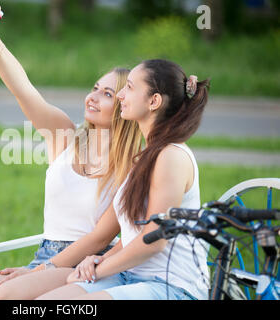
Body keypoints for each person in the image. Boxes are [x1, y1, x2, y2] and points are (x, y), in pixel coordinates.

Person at [0, 4, 141, 300]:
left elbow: (102, 237)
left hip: (87, 263)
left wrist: (38, 272)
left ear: (125, 104)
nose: (92, 97)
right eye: (95, 88)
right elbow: (23, 90)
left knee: (7, 295)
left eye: (107, 94)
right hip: (46, 253)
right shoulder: (65, 135)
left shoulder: (131, 164)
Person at [30, 59, 211, 300]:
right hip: (131, 276)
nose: (120, 96)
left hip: (171, 285)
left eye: (130, 88)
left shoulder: (171, 156)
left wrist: (99, 269)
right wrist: (100, 259)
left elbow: (154, 240)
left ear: (154, 101)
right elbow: (132, 236)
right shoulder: (145, 157)